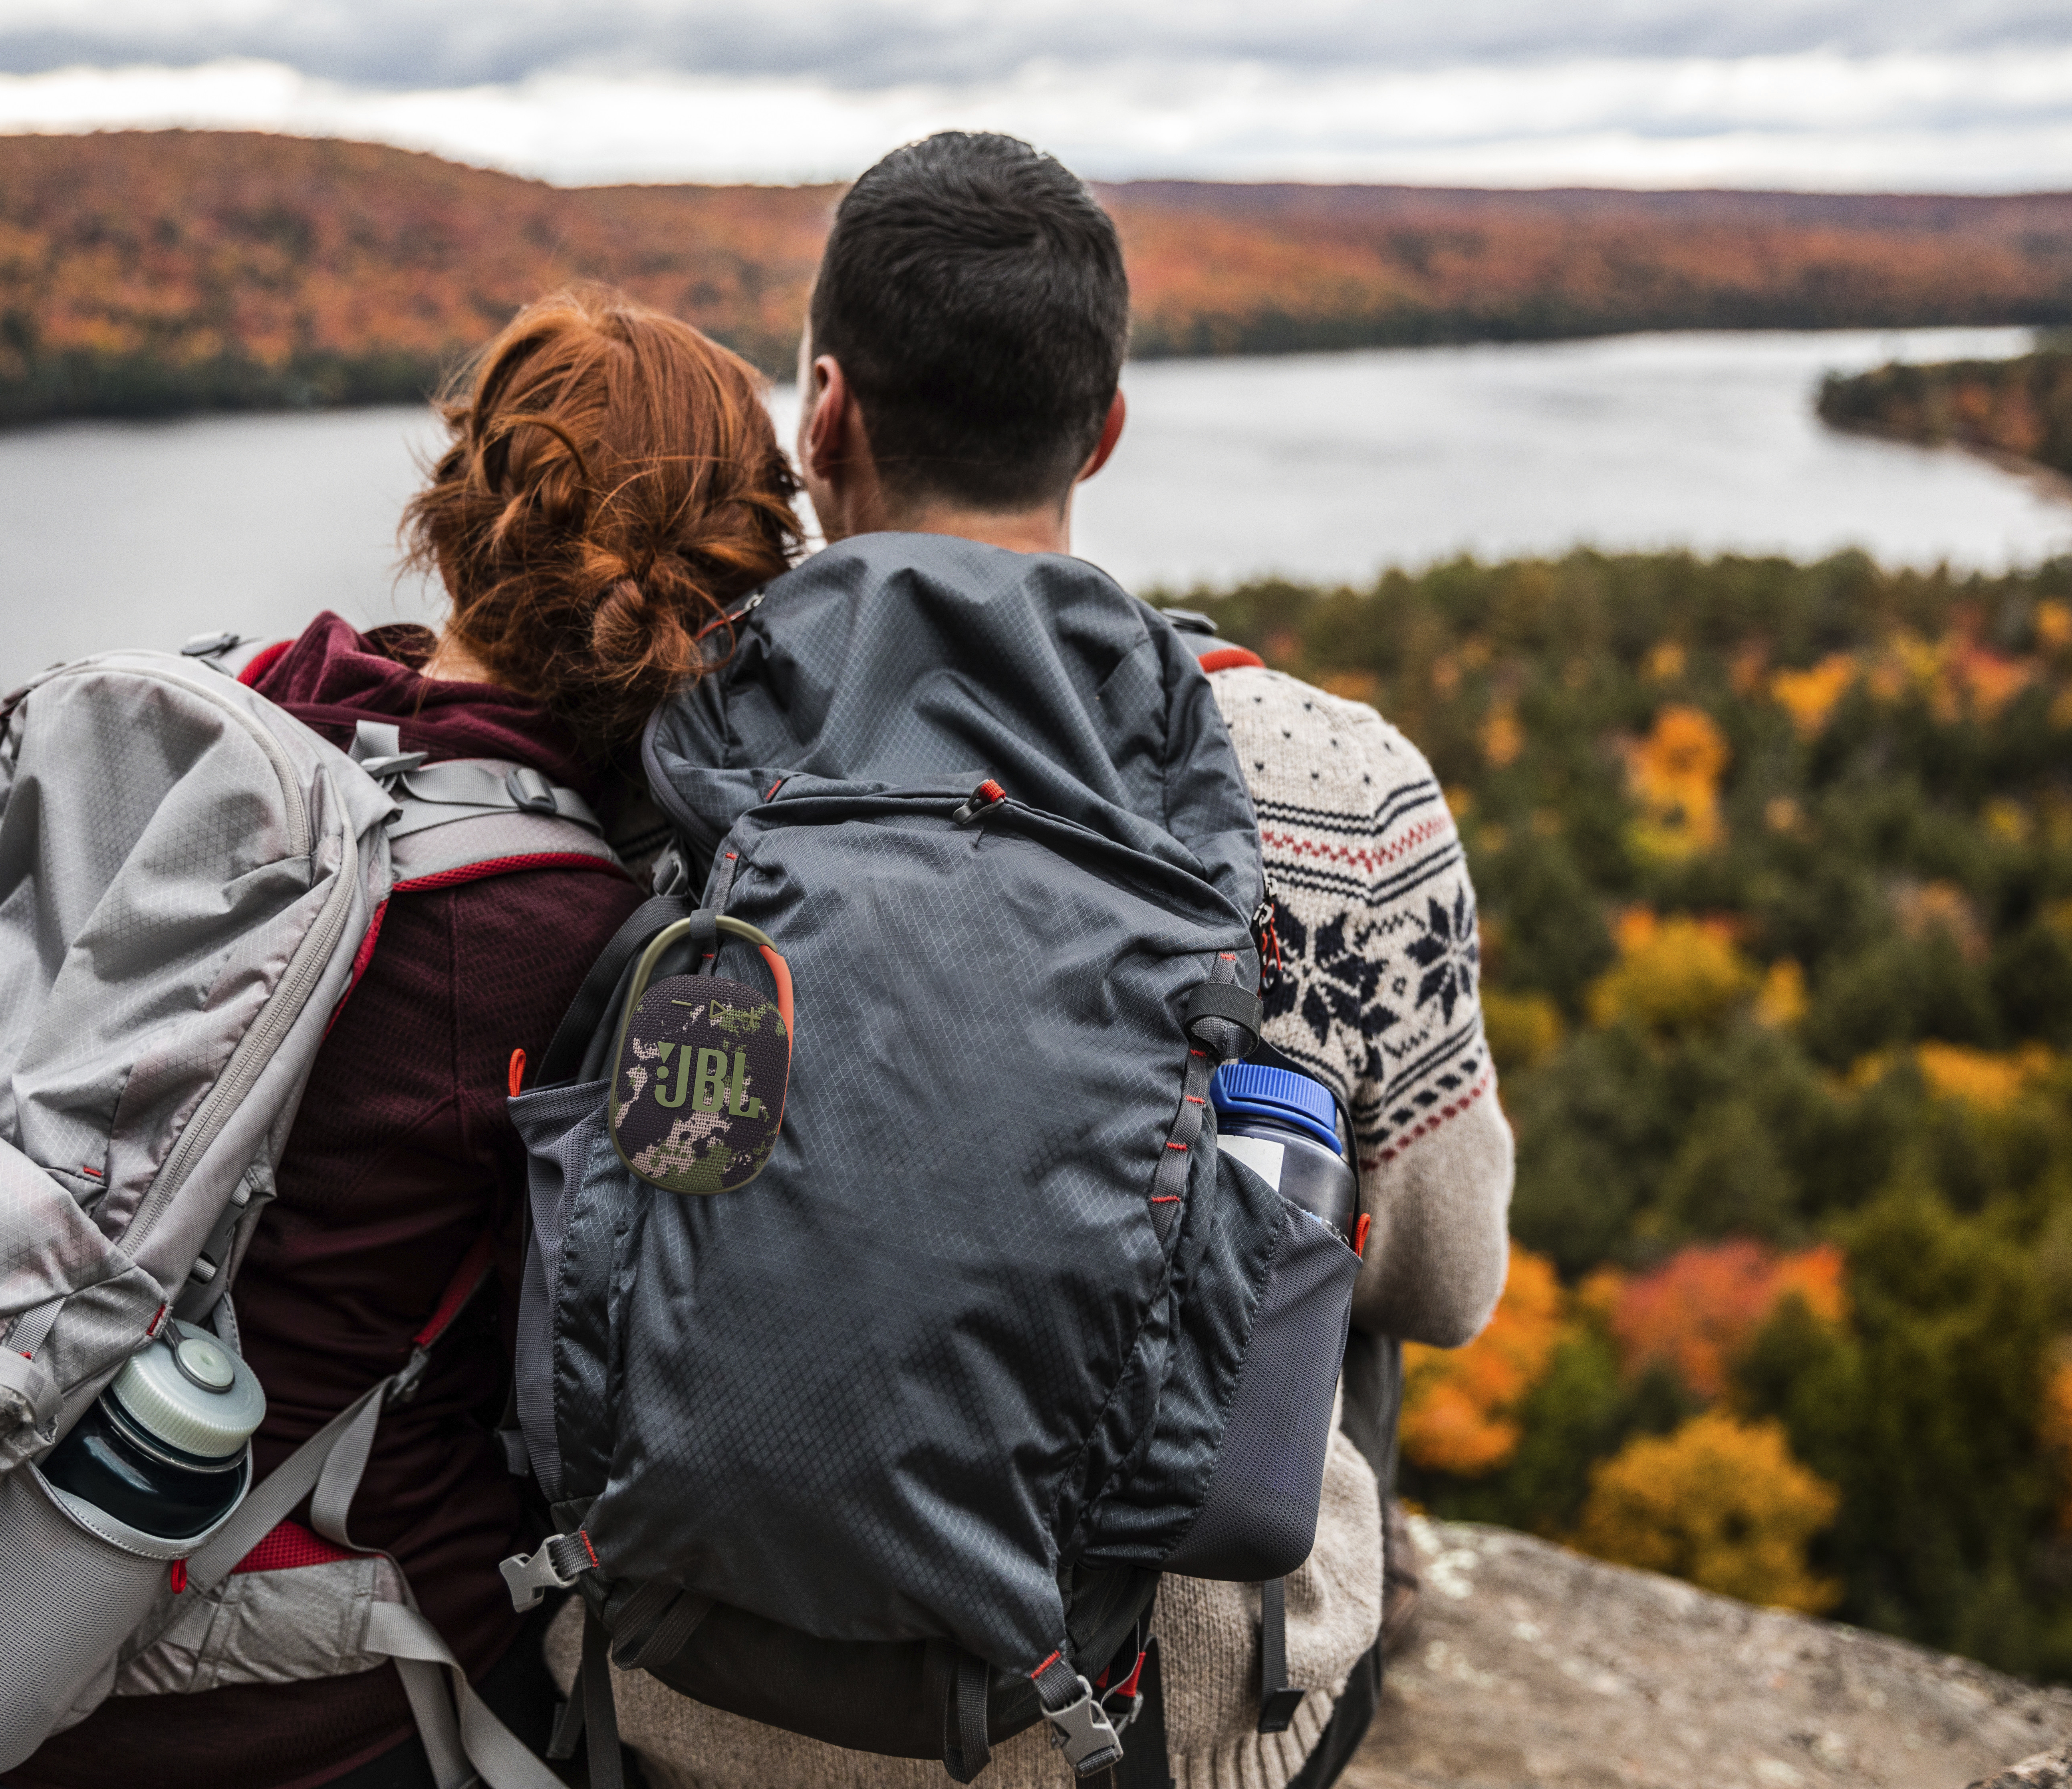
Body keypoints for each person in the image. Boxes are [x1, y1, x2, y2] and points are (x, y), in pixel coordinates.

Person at [556, 133, 1515, 1788]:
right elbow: (1448, 1276)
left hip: (670, 1670)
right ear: (1106, 428)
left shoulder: (678, 742)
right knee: (1322, 1239)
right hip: (1116, 1721)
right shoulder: (1347, 786)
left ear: (829, 415)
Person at [2, 286, 803, 1789]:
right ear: (717, 592)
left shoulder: (249, 716)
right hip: (271, 1670)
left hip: (6, 1527)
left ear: (463, 507)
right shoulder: (558, 928)